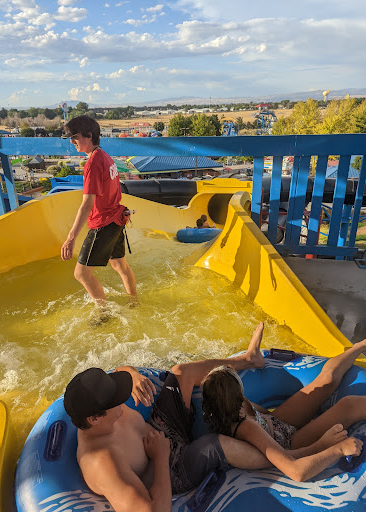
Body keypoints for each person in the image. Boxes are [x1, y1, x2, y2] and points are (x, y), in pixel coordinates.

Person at [63, 324, 361, 512]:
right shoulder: (102, 461)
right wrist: (158, 458)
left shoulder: (101, 409)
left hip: (161, 430)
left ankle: (248, 359)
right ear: (94, 419)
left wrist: (131, 373)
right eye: (117, 400)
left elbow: (118, 369)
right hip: (168, 464)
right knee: (216, 444)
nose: (123, 399)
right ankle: (292, 454)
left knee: (180, 371)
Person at [202, 323, 366, 482]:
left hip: (277, 423)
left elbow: (265, 415)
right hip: (290, 443)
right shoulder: (246, 427)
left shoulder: (237, 403)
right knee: (348, 405)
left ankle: (360, 346)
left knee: (326, 380)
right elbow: (295, 470)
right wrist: (329, 447)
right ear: (236, 392)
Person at [60, 115, 137, 313]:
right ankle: (134, 302)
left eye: (74, 137)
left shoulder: (93, 163)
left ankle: (104, 314)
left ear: (89, 135)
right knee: (120, 265)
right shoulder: (104, 156)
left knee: (82, 274)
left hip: (104, 223)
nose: (72, 142)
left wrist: (70, 238)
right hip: (117, 218)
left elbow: (87, 204)